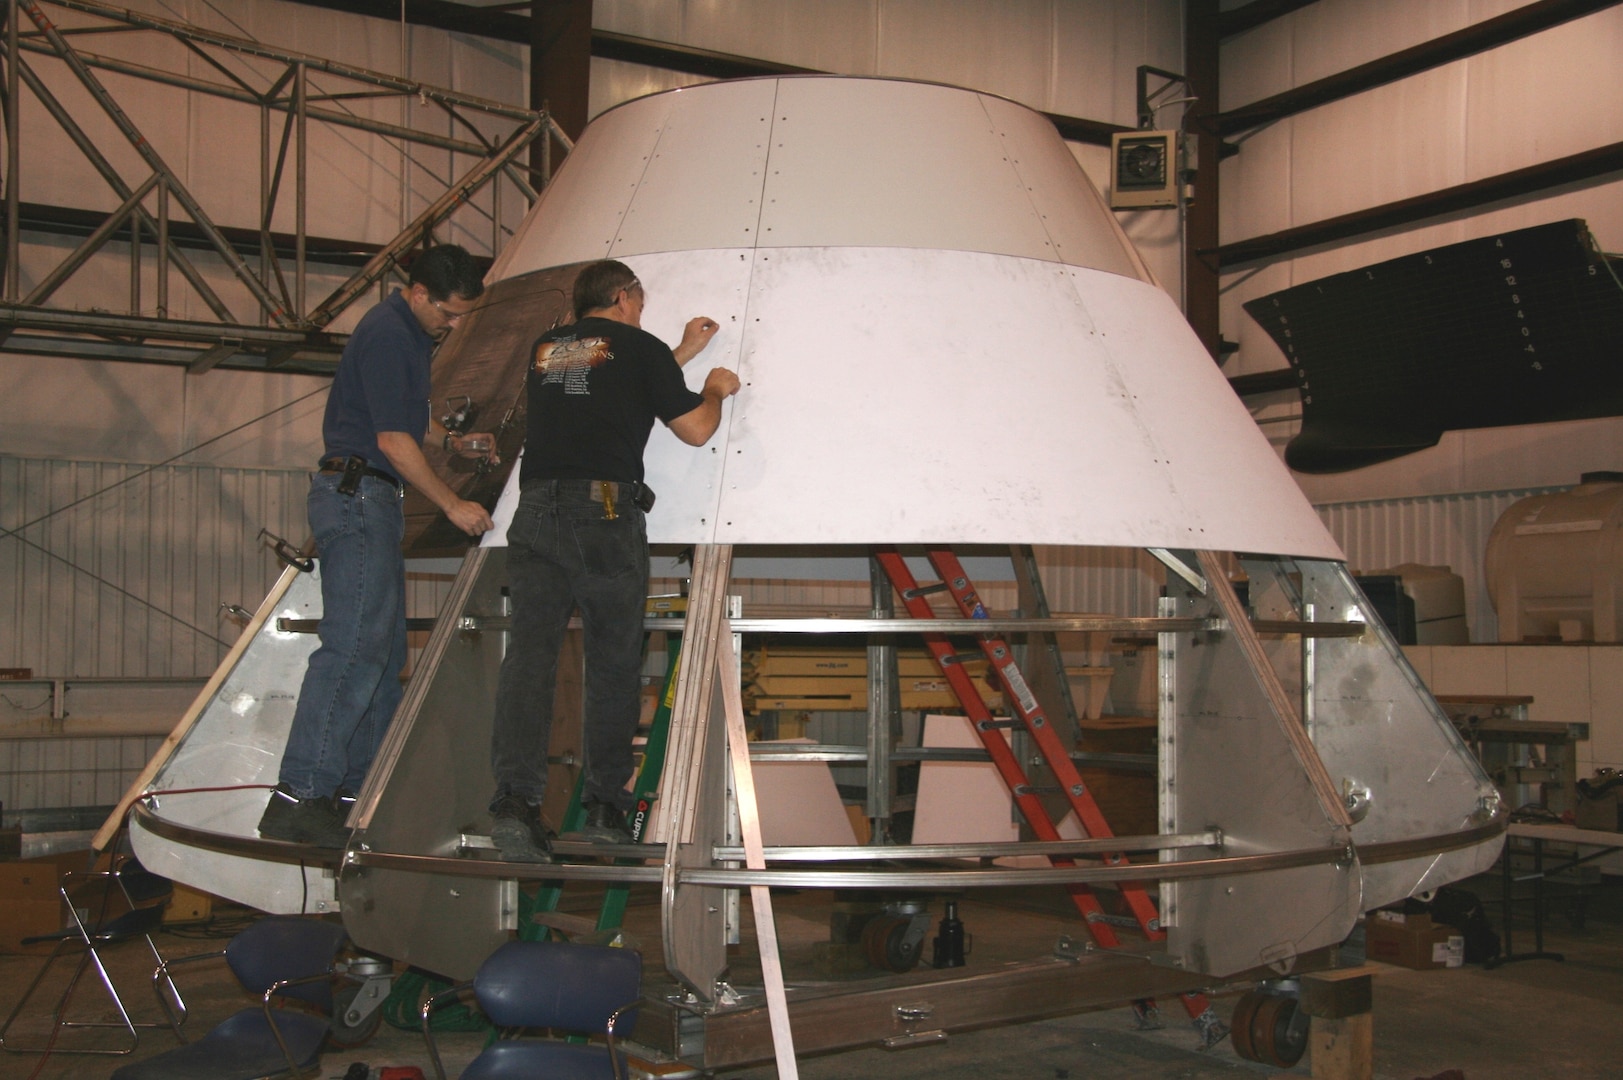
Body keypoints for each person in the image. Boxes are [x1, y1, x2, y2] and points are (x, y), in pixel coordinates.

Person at [487, 259, 740, 861]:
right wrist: (714, 388)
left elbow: (615, 389)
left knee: (529, 662)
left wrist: (679, 350)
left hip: (535, 512)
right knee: (612, 658)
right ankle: (603, 803)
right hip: (602, 513)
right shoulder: (638, 346)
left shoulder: (549, 348)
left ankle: (515, 804)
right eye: (641, 303)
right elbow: (696, 430)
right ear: (625, 296)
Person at [259, 244, 498, 848]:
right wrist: (451, 502)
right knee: (354, 650)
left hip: (370, 501)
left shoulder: (411, 336)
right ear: (419, 293)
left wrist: (455, 442)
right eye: (450, 313)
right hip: (359, 495)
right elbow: (392, 440)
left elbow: (407, 420)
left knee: (383, 658)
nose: (455, 324)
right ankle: (300, 795)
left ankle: (351, 794)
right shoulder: (391, 335)